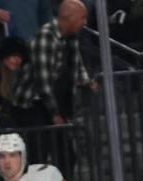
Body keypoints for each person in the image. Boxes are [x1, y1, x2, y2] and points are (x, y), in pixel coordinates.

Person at [13, 0, 92, 128]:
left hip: (52, 102)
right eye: (82, 18)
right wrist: (55, 114)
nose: (85, 22)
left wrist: (87, 81)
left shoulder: (70, 35)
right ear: (69, 17)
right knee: (43, 144)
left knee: (64, 145)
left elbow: (77, 64)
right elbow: (43, 83)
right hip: (31, 106)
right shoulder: (46, 37)